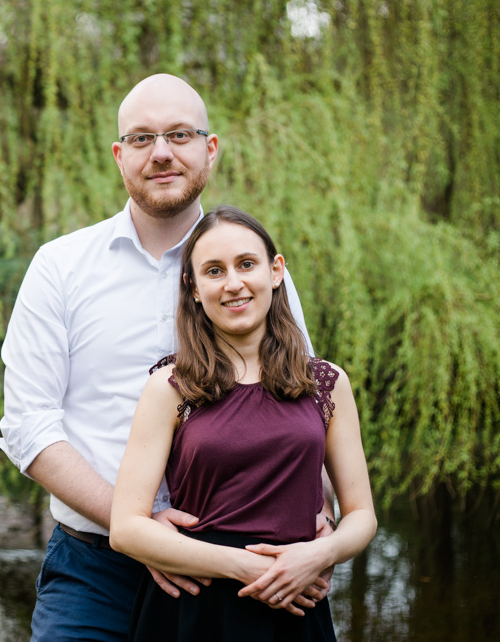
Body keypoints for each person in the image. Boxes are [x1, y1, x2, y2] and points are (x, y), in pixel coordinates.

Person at [0, 73, 335, 641]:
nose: (161, 153)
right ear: (118, 156)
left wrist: (319, 518)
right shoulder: (60, 267)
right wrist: (138, 525)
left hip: (236, 571)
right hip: (94, 570)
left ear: (210, 149)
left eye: (179, 134)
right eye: (141, 139)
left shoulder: (251, 272)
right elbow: (28, 426)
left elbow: (299, 400)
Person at [109, 205, 378, 641]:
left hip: (296, 601)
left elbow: (362, 514)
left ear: (275, 271)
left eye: (246, 265)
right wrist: (248, 567)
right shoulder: (172, 386)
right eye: (213, 271)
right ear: (193, 288)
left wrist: (318, 555)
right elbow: (126, 527)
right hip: (196, 607)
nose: (233, 283)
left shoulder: (326, 383)